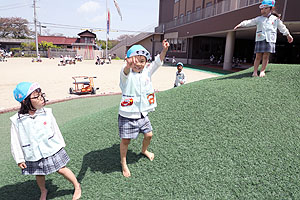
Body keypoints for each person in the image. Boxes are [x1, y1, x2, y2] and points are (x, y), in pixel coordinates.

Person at [10, 82, 81, 200]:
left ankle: (77, 185)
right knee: (39, 173)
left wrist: (60, 144)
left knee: (61, 169)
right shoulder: (17, 120)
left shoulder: (47, 113)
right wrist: (19, 159)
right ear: (24, 101)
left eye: (41, 95)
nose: (41, 98)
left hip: (51, 148)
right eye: (36, 97)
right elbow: (15, 141)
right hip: (33, 152)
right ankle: (43, 190)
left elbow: (55, 129)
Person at [118, 39, 169, 177]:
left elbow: (157, 62)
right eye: (136, 61)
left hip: (142, 114)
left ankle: (144, 150)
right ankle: (124, 162)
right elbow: (125, 73)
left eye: (142, 61)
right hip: (127, 115)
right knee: (126, 140)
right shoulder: (127, 75)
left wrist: (164, 50)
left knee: (149, 134)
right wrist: (128, 66)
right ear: (129, 60)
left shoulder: (146, 72)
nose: (139, 64)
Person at [234, 0, 293, 77]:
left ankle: (262, 71)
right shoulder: (259, 19)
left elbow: (282, 27)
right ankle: (255, 72)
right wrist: (241, 24)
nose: (263, 10)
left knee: (266, 56)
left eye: (265, 8)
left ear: (270, 9)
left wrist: (288, 35)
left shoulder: (275, 19)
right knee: (258, 56)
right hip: (260, 39)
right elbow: (249, 22)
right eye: (262, 9)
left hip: (270, 39)